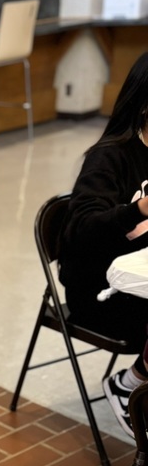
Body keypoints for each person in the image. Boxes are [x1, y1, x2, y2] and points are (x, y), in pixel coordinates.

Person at [59, 51, 148, 438]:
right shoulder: (110, 158)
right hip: (97, 292)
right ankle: (129, 383)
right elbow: (82, 230)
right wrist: (139, 209)